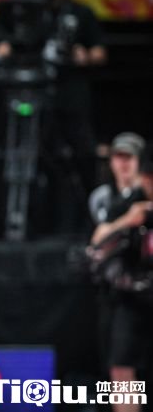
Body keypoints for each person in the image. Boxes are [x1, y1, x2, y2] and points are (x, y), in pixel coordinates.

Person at [0, 0, 107, 235]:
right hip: (25, 93)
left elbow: (100, 52)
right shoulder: (20, 10)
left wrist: (83, 55)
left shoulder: (79, 13)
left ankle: (85, 224)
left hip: (68, 98)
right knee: (10, 152)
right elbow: (5, 45)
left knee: (77, 157)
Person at [89, 145, 153, 412]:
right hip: (128, 295)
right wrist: (129, 219)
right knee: (121, 368)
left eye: (130, 158)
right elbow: (97, 240)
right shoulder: (122, 201)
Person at [88, 132, 145, 226]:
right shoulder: (101, 198)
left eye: (129, 156)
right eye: (119, 156)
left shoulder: (148, 194)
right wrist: (129, 219)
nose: (124, 162)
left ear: (141, 161)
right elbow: (101, 229)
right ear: (111, 161)